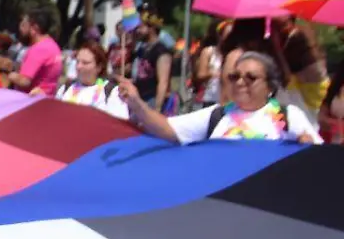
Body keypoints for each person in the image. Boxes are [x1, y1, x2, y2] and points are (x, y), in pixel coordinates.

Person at [117, 51, 321, 145]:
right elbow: (169, 130)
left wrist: (306, 145)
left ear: (270, 85)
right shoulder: (216, 116)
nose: (240, 82)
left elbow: (317, 156)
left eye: (250, 78)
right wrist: (137, 103)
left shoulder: (289, 117)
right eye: (235, 76)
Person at [55, 41, 128, 119]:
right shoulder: (66, 88)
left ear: (99, 67)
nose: (78, 67)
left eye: (85, 63)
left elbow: (119, 124)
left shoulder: (111, 92)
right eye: (77, 61)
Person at [7, 9, 62, 95]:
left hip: (31, 102)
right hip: (46, 100)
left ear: (34, 28)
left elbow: (24, 81)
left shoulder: (39, 49)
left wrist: (8, 74)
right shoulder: (53, 46)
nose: (20, 29)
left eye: (24, 25)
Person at [130, 12, 174, 110]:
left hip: (151, 100)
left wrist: (157, 108)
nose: (137, 30)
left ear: (151, 28)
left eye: (140, 27)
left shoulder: (161, 51)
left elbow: (163, 81)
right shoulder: (141, 50)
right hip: (138, 99)